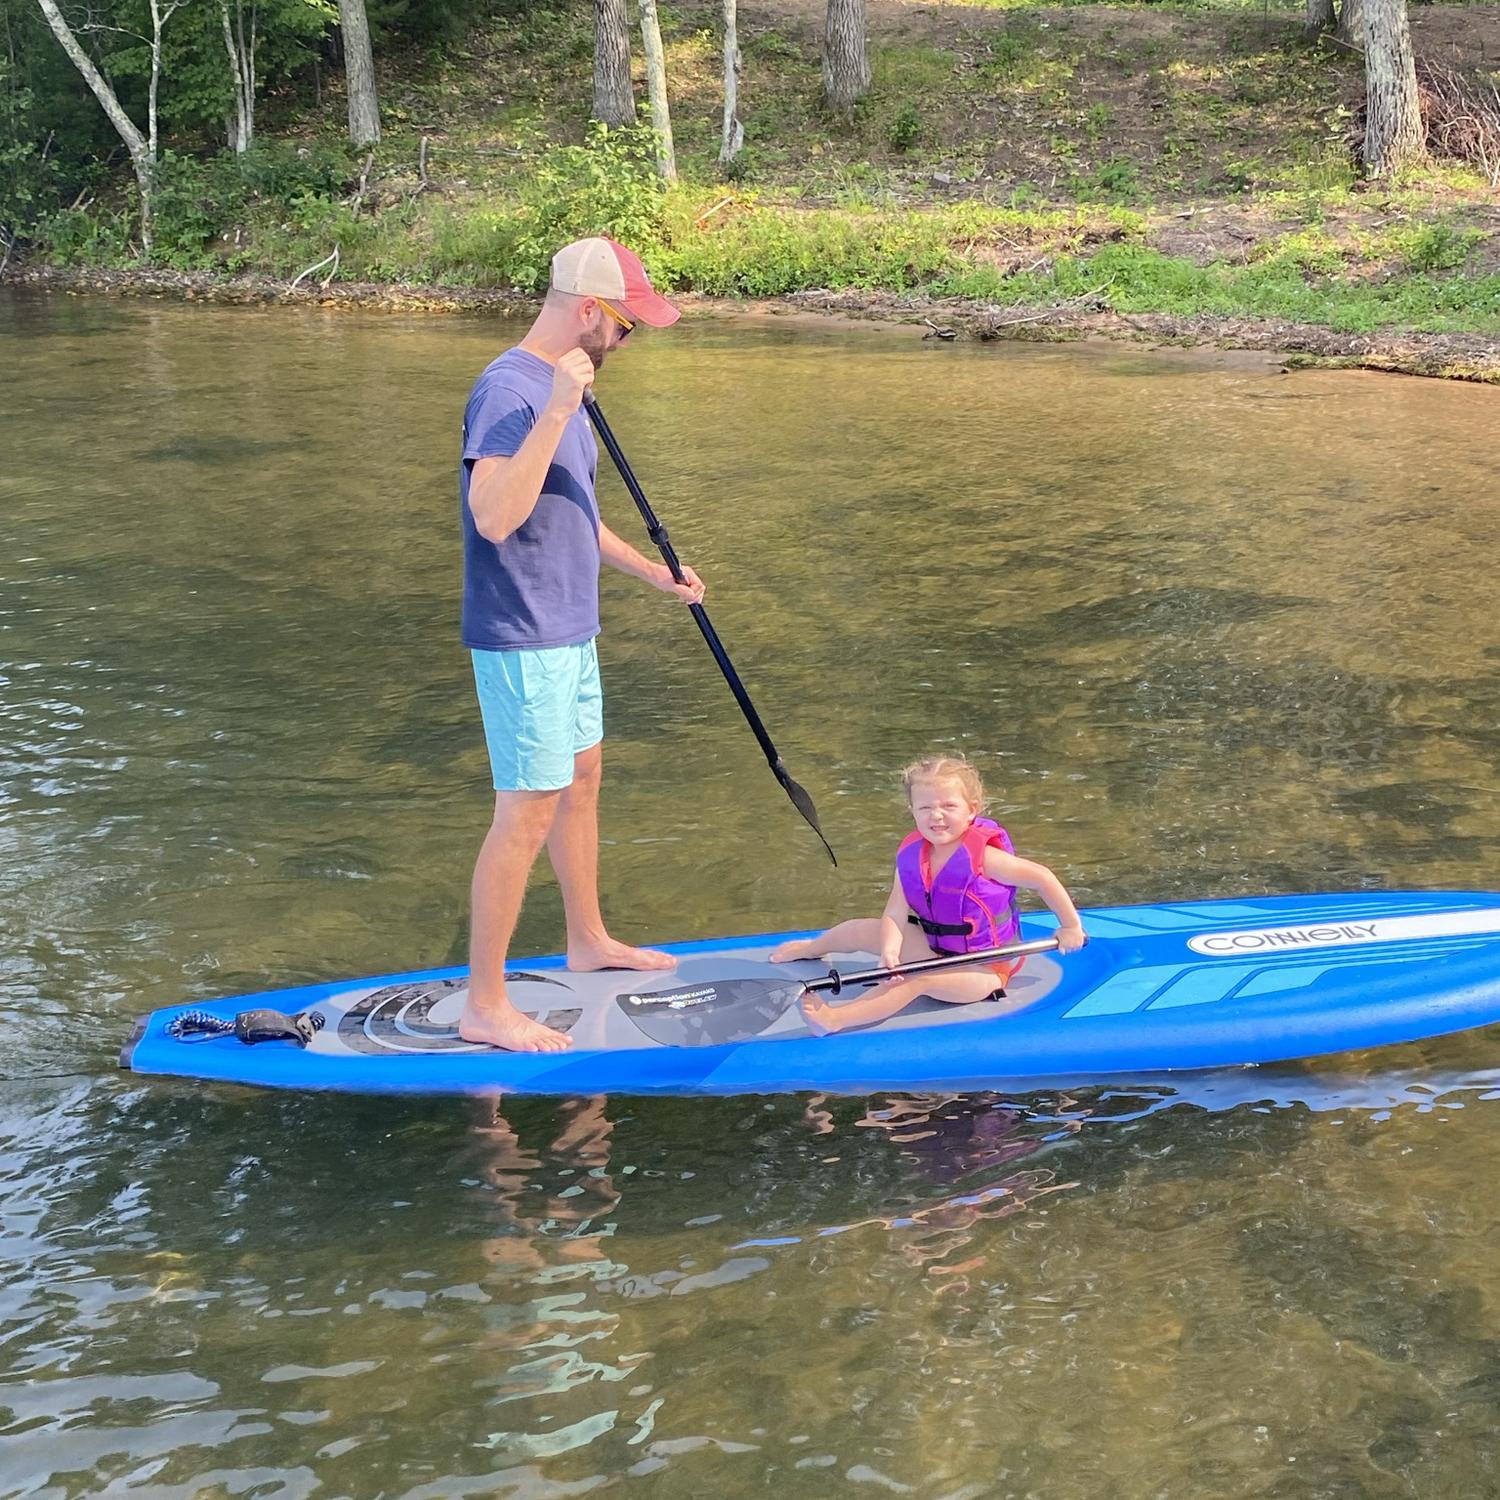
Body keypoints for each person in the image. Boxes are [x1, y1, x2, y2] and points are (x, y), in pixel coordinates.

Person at [457, 237, 706, 1053]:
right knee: (525, 812)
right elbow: (494, 512)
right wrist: (560, 407)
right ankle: (485, 1005)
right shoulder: (512, 389)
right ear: (590, 311)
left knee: (584, 779)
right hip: (523, 633)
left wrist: (654, 574)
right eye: (628, 326)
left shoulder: (569, 387)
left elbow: (572, 512)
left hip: (572, 624)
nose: (631, 341)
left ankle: (588, 940)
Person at [768, 754, 1087, 1035]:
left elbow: (1043, 878)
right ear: (912, 811)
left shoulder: (986, 859)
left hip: (984, 969)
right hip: (936, 948)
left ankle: (835, 1020)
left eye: (949, 806)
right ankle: (813, 947)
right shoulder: (911, 856)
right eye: (926, 807)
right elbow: (894, 912)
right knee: (861, 929)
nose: (936, 816)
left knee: (913, 979)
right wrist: (890, 951)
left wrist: (1071, 927)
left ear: (971, 810)